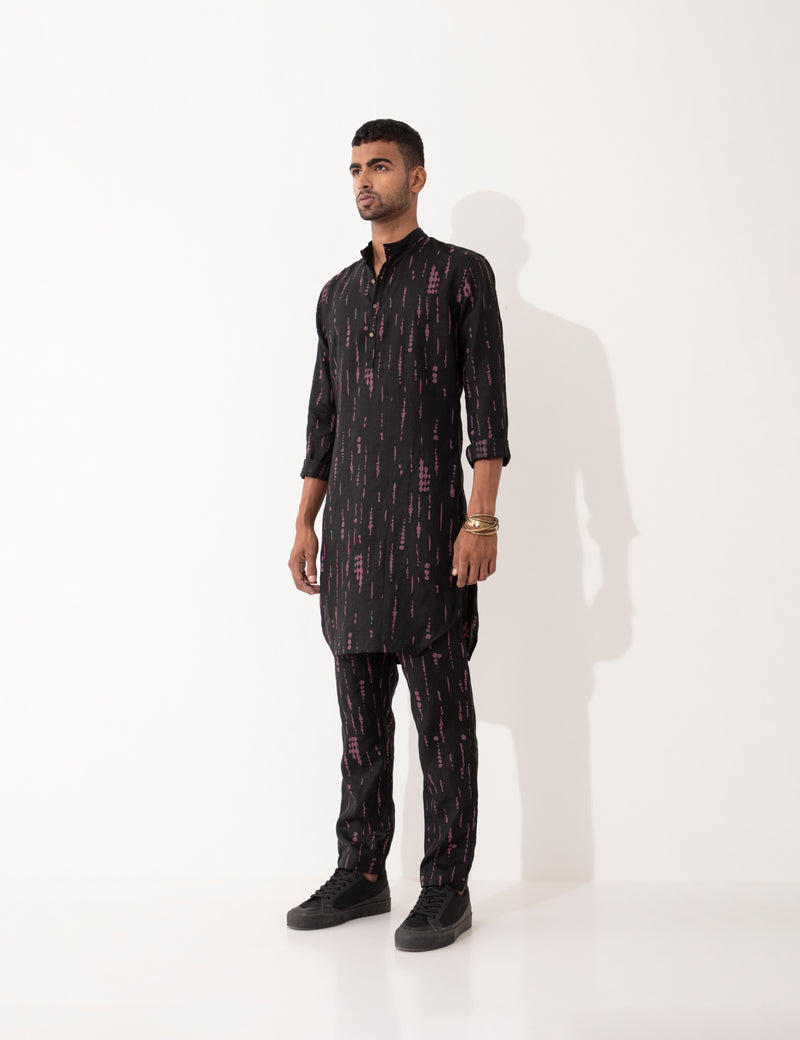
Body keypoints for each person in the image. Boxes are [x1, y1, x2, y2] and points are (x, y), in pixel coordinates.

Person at [287, 118, 510, 952]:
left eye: (379, 166)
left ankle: (446, 887)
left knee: (444, 724)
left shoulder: (459, 275)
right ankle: (361, 874)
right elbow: (325, 419)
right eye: (354, 168)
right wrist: (305, 521)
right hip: (350, 539)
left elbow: (486, 408)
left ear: (416, 178)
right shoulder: (336, 295)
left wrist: (480, 519)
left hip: (428, 536)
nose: (363, 181)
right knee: (359, 727)